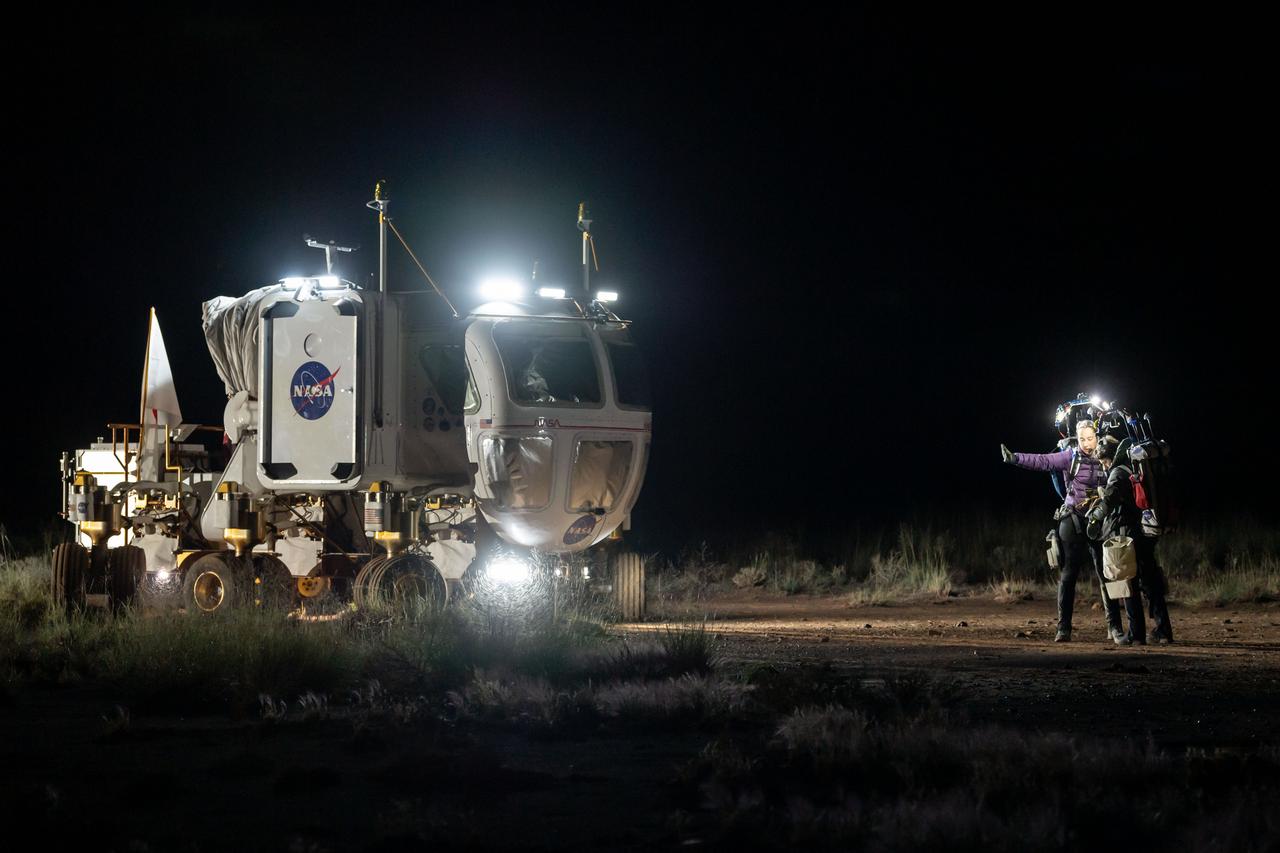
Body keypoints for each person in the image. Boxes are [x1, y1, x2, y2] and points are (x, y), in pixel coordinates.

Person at [1001, 419, 1123, 643]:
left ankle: (1115, 628)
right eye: (1083, 439)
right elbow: (1043, 461)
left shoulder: (1108, 456)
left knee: (1107, 574)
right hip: (1073, 519)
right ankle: (1063, 628)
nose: (1087, 443)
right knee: (1068, 575)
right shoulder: (1071, 456)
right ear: (1078, 438)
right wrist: (1015, 457)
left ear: (1098, 436)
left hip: (1100, 520)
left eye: (1091, 438)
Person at [1087, 434, 1174, 644]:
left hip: (1126, 533)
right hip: (1146, 529)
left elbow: (1110, 499)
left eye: (1102, 461)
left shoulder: (1117, 472)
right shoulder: (1135, 468)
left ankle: (1136, 634)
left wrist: (1095, 518)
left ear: (1108, 458)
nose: (1103, 465)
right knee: (1151, 581)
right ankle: (1163, 631)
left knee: (1128, 583)